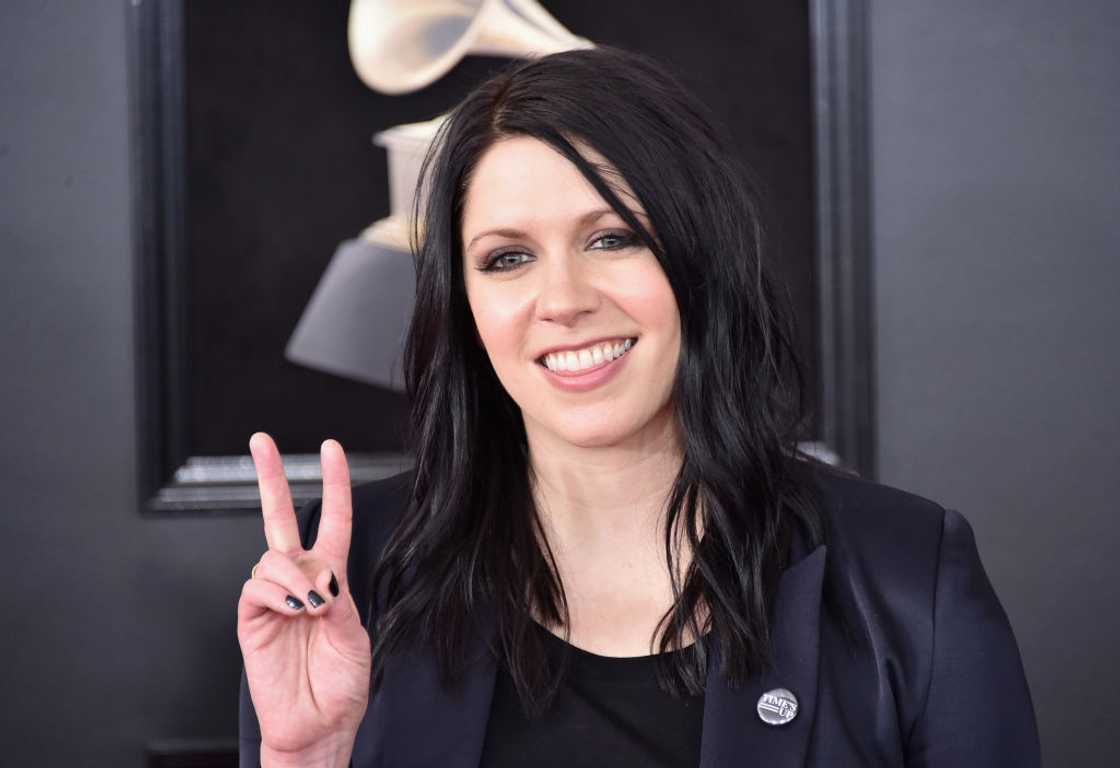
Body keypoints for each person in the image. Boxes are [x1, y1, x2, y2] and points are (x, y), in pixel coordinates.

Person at [237, 46, 1040, 767]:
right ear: (465, 306)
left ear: (700, 257)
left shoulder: (907, 573)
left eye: (612, 237)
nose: (562, 300)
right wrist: (304, 761)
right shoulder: (352, 577)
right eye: (508, 257)